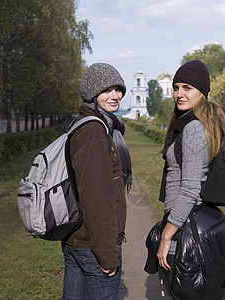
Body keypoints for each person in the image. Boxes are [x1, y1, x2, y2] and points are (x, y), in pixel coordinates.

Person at [145, 60, 225, 300]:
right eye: (176, 87)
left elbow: (189, 189)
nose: (179, 94)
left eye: (187, 87)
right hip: (201, 221)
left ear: (202, 92)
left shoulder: (193, 129)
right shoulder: (202, 123)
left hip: (186, 225)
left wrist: (166, 236)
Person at [62, 63, 132, 300]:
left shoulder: (87, 124)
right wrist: (108, 254)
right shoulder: (93, 130)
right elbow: (97, 199)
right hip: (92, 247)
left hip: (78, 240)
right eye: (107, 90)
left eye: (118, 89)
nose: (115, 96)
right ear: (93, 93)